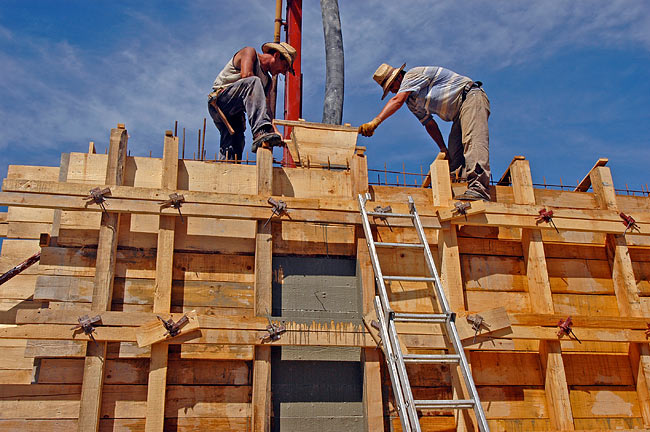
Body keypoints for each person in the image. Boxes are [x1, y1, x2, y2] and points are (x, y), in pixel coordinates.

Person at [359, 63, 491, 201]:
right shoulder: (411, 102)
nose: (392, 91)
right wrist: (442, 148)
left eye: (391, 87)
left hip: (470, 98)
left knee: (473, 141)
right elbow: (429, 123)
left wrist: (376, 122)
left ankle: (479, 189)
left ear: (398, 77)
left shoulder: (412, 75)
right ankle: (461, 189)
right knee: (454, 156)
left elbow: (397, 100)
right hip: (458, 114)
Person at [208, 42, 296, 160]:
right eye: (285, 66)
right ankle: (260, 132)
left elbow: (266, 110)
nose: (283, 72)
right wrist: (264, 131)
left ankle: (226, 170)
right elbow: (246, 76)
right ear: (276, 55)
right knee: (253, 81)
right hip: (221, 101)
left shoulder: (268, 82)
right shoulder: (250, 53)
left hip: (234, 113)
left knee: (235, 143)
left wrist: (274, 132)